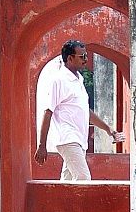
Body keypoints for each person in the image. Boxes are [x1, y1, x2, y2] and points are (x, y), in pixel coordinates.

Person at [34, 40, 125, 181]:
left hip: (79, 139)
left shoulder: (79, 80)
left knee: (68, 182)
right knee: (83, 179)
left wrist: (108, 129)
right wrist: (42, 145)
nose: (86, 60)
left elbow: (86, 112)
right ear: (70, 58)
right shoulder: (59, 80)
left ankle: (62, 204)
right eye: (81, 57)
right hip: (68, 138)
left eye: (86, 56)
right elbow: (48, 112)